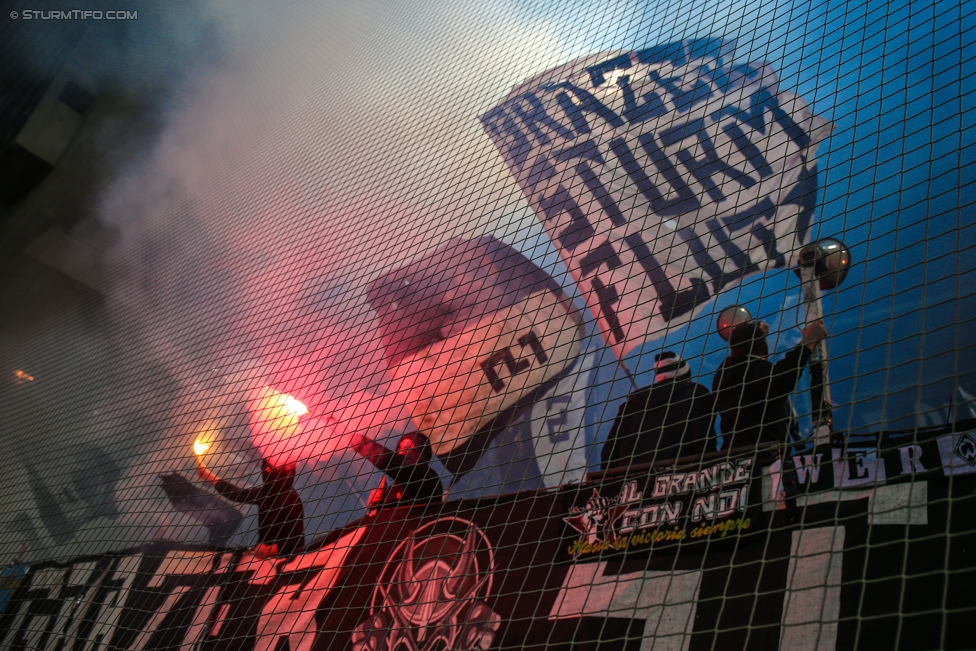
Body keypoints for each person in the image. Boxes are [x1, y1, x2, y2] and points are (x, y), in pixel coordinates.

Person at [712, 319, 827, 450]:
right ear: (765, 348)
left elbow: (741, 356)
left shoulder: (722, 375)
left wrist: (755, 335)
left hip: (733, 458)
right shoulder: (755, 369)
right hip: (766, 458)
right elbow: (780, 381)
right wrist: (807, 342)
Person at [601, 352, 715, 470]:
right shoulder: (696, 396)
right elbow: (704, 445)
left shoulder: (630, 406)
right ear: (687, 377)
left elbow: (608, 454)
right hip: (680, 481)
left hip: (630, 484)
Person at [196, 457, 306, 557]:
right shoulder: (266, 492)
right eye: (266, 467)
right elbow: (237, 494)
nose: (267, 470)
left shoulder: (292, 500)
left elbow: (296, 541)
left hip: (280, 565)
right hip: (262, 561)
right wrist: (208, 476)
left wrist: (270, 550)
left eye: (270, 468)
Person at [351, 431, 443, 507]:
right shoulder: (392, 490)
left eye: (407, 448)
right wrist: (376, 506)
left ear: (420, 454)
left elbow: (390, 461)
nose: (401, 452)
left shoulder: (429, 478)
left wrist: (353, 438)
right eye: (399, 449)